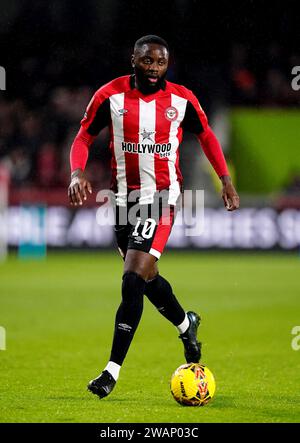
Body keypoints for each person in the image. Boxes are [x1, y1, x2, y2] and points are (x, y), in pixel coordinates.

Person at [68, 35, 240, 399]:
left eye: (160, 63)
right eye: (147, 61)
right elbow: (83, 136)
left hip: (162, 199)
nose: (153, 68)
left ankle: (110, 372)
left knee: (132, 279)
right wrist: (76, 173)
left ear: (167, 64)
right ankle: (185, 323)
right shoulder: (110, 96)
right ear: (134, 59)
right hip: (121, 201)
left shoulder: (182, 99)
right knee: (147, 279)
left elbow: (206, 136)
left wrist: (225, 180)